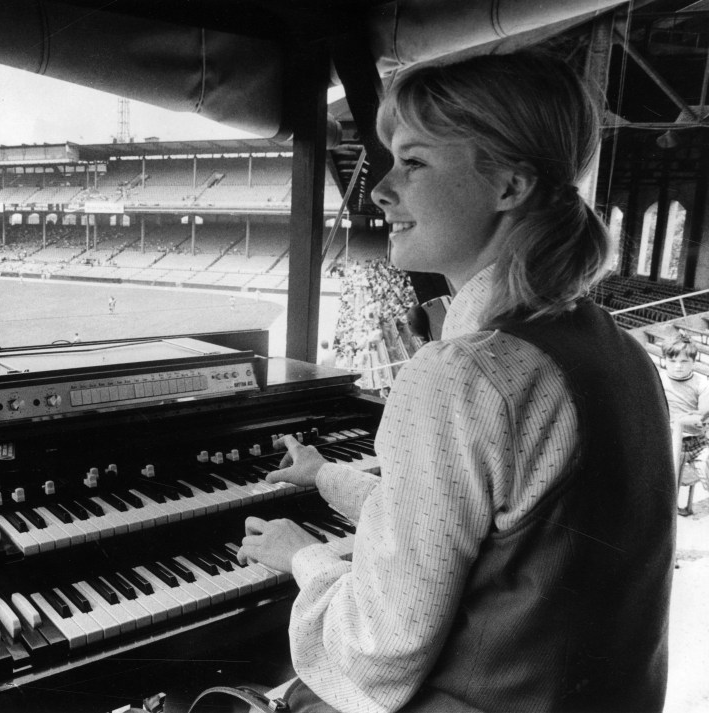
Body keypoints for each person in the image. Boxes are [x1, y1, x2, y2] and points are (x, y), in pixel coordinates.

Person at [236, 51, 675, 713]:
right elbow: (458, 521)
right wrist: (325, 475)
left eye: (413, 162)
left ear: (509, 186)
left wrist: (303, 557)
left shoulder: (463, 373)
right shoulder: (617, 349)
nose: (381, 190)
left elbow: (374, 655)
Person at [660, 333, 709, 516]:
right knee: (668, 485)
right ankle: (670, 514)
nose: (678, 366)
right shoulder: (659, 380)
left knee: (707, 466)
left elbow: (702, 414)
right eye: (672, 361)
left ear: (693, 362)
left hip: (697, 441)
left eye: (684, 361)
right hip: (671, 442)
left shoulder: (701, 382)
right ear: (665, 360)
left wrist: (687, 418)